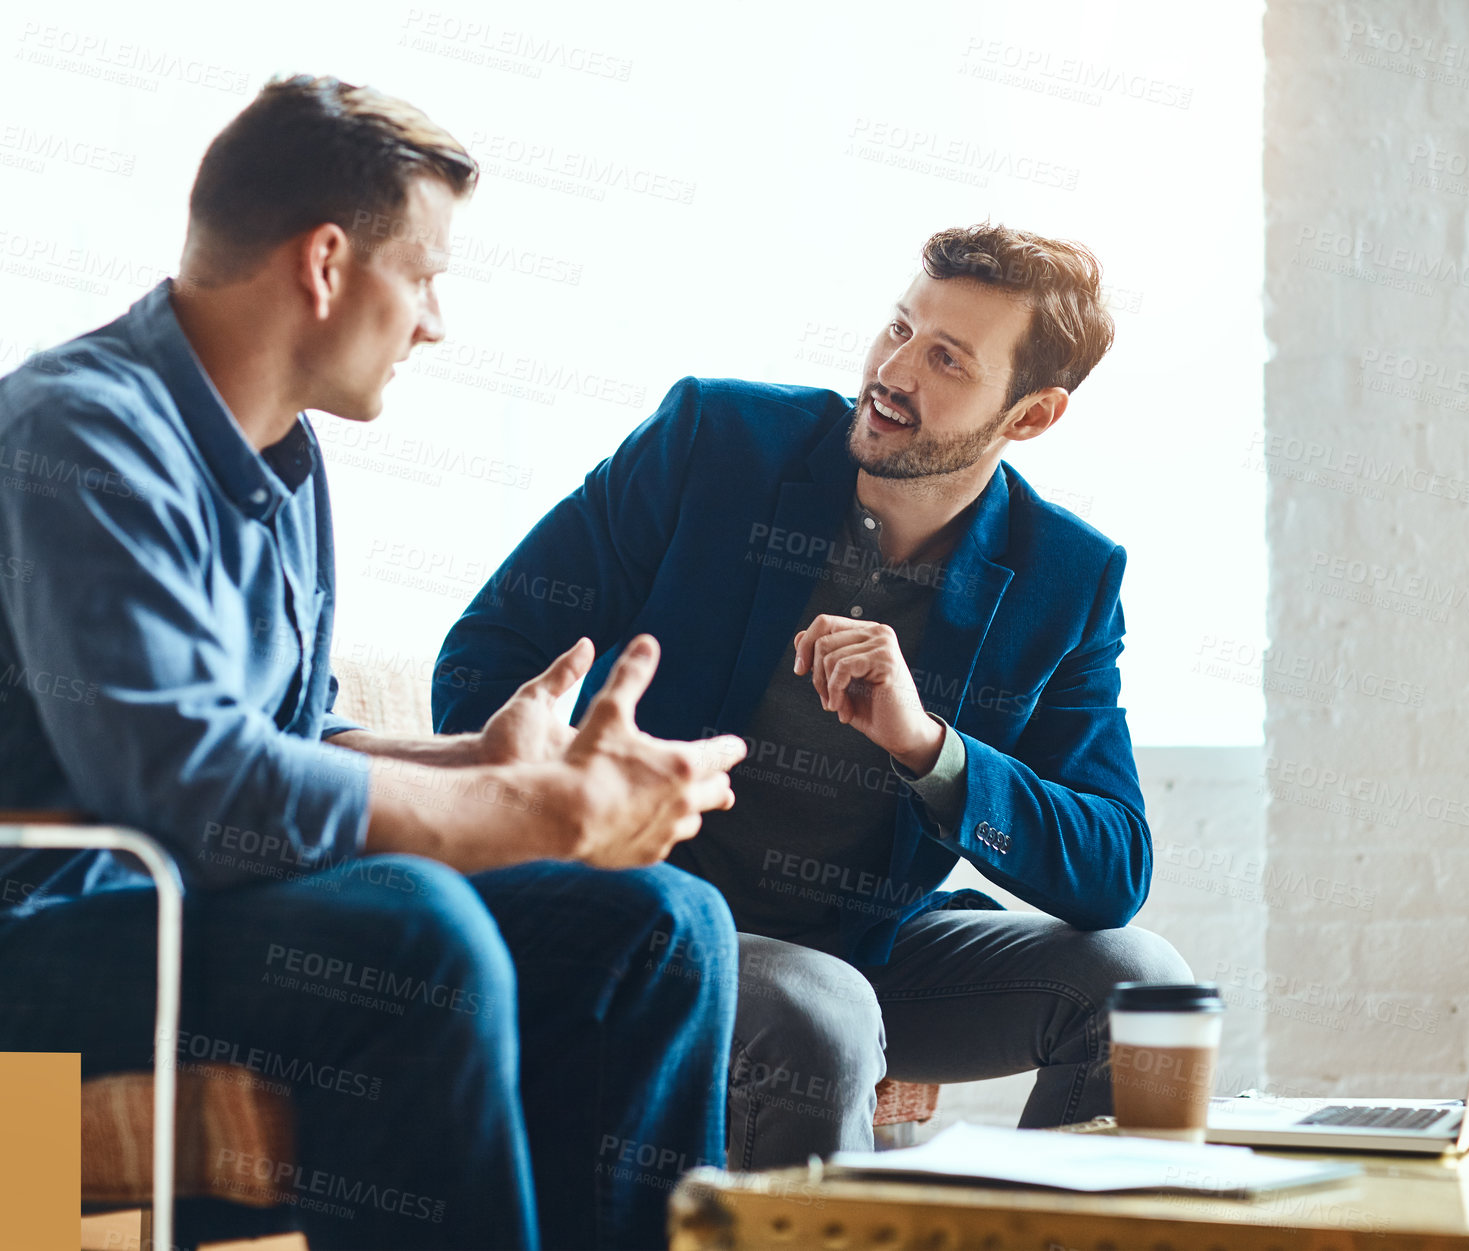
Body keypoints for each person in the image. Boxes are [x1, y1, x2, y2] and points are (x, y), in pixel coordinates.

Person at [0, 75, 746, 1250]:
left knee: (660, 924)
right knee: (410, 932)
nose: (435, 323)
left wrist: (467, 760)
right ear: (327, 263)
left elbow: (287, 732)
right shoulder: (78, 432)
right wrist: (524, 812)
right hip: (45, 932)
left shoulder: (283, 458)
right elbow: (180, 776)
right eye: (427, 276)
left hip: (187, 909)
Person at [434, 224, 1194, 1169]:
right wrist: (572, 792)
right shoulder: (713, 443)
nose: (894, 368)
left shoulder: (1066, 577)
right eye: (900, 327)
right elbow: (485, 655)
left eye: (946, 357)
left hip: (871, 940)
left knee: (1142, 987)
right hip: (653, 909)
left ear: (1030, 416)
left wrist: (930, 748)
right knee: (822, 1006)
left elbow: (1111, 865)